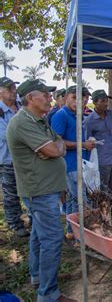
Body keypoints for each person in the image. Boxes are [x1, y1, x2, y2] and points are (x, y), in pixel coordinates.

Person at [7, 79, 76, 302]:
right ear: (30, 98)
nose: (50, 98)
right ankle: (48, 294)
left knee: (38, 236)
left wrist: (55, 147)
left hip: (48, 188)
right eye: (45, 94)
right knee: (52, 239)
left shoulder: (39, 120)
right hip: (39, 191)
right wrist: (54, 148)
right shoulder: (22, 123)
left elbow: (58, 145)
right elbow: (54, 150)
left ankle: (39, 277)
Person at [52, 85, 96, 236]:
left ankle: (71, 231)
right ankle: (82, 237)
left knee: (72, 199)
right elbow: (58, 143)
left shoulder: (78, 115)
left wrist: (87, 143)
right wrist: (83, 144)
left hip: (80, 162)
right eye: (75, 97)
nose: (81, 101)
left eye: (84, 98)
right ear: (65, 98)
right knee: (81, 200)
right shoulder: (61, 115)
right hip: (70, 164)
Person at [0, 77, 28, 237]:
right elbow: (7, 135)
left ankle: (30, 219)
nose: (13, 92)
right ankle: (15, 224)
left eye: (13, 88)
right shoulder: (1, 111)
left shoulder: (20, 107)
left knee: (28, 190)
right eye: (9, 89)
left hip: (25, 159)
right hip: (7, 160)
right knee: (11, 194)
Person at [84, 89, 112, 193]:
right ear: (95, 102)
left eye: (106, 101)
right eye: (102, 101)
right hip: (102, 160)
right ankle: (103, 208)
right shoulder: (89, 121)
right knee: (103, 189)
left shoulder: (111, 114)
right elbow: (87, 141)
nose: (106, 103)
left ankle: (111, 207)